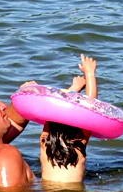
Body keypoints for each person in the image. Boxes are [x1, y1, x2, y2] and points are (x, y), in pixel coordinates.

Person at [40, 54, 98, 184]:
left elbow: (53, 109)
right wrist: (90, 73)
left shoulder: (44, 142)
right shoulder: (79, 146)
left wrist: (74, 88)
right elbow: (91, 107)